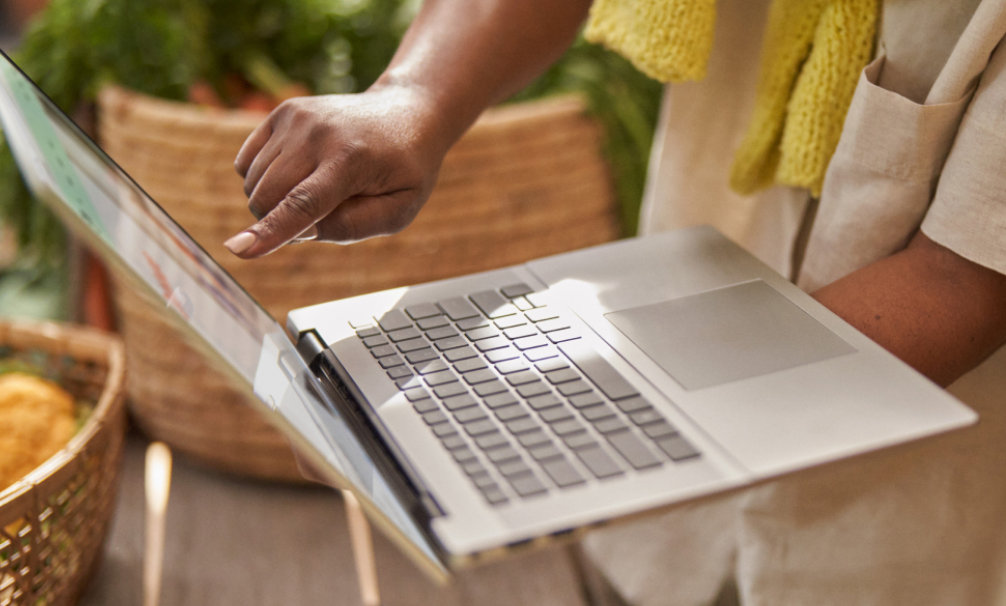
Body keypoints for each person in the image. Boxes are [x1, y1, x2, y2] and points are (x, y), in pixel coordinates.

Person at [230, 0, 1006, 603]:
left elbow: (962, 283)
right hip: (663, 532)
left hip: (909, 540)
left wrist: (489, 420)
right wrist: (409, 98)